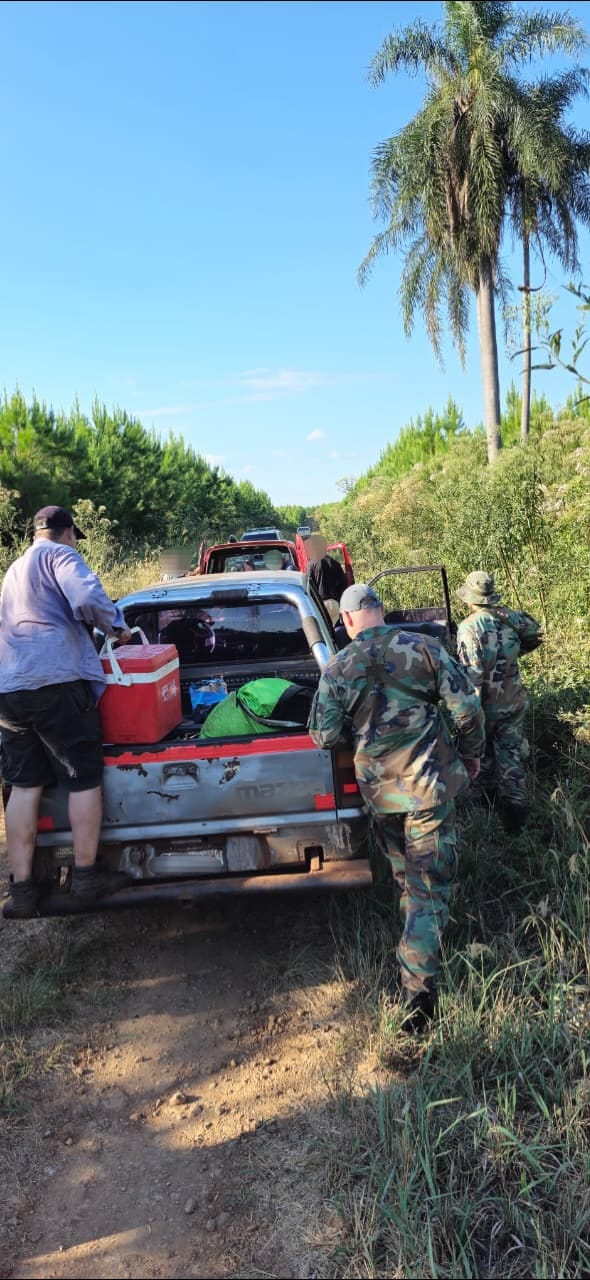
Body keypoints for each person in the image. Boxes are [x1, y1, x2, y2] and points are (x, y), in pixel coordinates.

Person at [308, 583, 485, 1030]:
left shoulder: (339, 667)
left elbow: (323, 735)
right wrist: (471, 753)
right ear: (380, 611)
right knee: (427, 887)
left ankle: (417, 950)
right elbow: (466, 709)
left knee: (410, 880)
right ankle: (418, 995)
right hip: (428, 787)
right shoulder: (424, 647)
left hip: (381, 795)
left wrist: (363, 737)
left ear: (347, 621)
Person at [0, 505, 133, 918]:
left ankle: (22, 889)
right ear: (68, 532)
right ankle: (86, 877)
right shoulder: (61, 556)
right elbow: (87, 596)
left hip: (11, 690)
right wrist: (117, 627)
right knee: (82, 779)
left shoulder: (14, 569)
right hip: (57, 683)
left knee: (24, 786)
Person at [455, 571, 543, 833]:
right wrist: (511, 656)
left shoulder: (469, 627)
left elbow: (472, 676)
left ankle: (485, 818)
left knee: (481, 759)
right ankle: (515, 820)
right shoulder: (511, 617)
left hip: (487, 706)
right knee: (510, 757)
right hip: (513, 701)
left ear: (470, 597)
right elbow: (536, 633)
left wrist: (469, 718)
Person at [303, 534, 347, 603]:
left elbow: (309, 587)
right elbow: (343, 585)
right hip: (335, 603)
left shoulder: (311, 565)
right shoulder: (335, 563)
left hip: (320, 606)